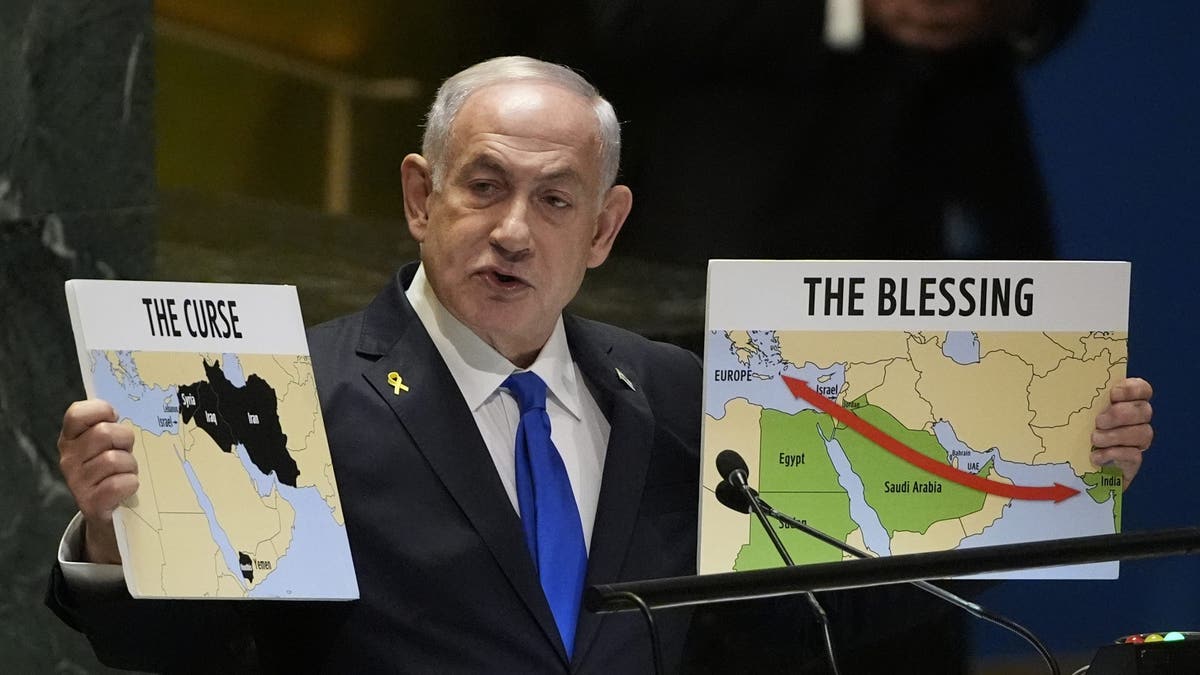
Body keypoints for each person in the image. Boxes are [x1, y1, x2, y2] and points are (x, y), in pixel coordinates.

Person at [46, 56, 1154, 674]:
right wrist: (111, 532)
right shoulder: (300, 396)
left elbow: (792, 614)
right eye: (483, 188)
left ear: (606, 228)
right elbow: (183, 648)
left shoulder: (671, 396)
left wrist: (1051, 484)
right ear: (420, 197)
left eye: (555, 199)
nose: (516, 230)